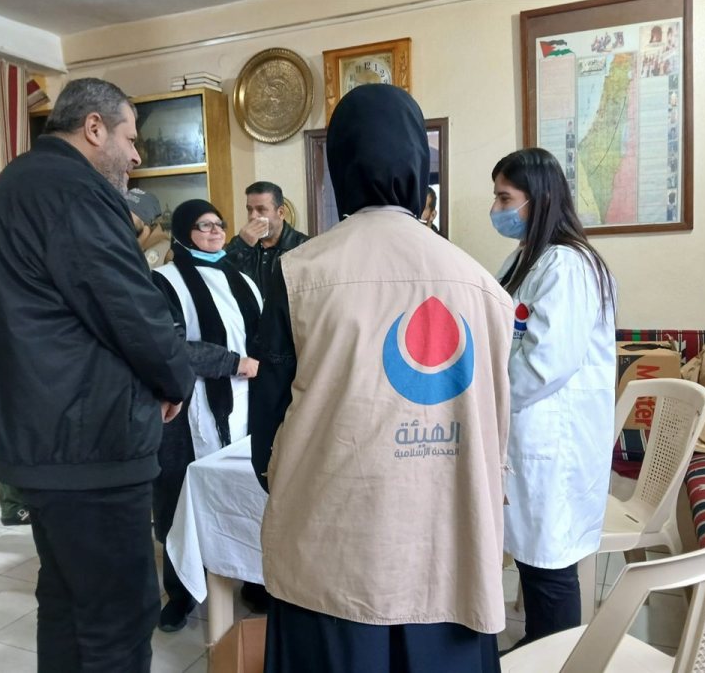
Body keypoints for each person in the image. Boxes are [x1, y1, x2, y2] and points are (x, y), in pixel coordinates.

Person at [251, 84, 514, 673]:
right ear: (419, 163)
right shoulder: (480, 283)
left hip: (333, 545)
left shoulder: (298, 273)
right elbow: (497, 422)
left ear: (339, 165)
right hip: (448, 542)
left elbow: (268, 428)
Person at [0, 78, 194, 672]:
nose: (136, 156)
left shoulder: (14, 185)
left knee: (68, 606)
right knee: (120, 619)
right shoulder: (74, 192)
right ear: (94, 128)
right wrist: (175, 378)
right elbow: (131, 309)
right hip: (89, 444)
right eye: (130, 138)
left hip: (43, 439)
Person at [489, 147, 616, 648]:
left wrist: (490, 400)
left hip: (551, 443)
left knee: (550, 564)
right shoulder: (525, 259)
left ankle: (556, 656)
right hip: (527, 435)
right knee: (533, 555)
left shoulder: (567, 265)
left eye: (505, 198)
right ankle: (540, 647)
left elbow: (546, 364)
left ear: (538, 199)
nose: (496, 209)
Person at [150, 199, 262, 631]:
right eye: (204, 225)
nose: (215, 232)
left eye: (219, 224)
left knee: (248, 491)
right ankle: (180, 592)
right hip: (188, 405)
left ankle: (255, 577)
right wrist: (233, 363)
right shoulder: (164, 280)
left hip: (248, 403)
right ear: (183, 232)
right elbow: (168, 346)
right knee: (181, 498)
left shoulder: (243, 280)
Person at [224, 181, 309, 297]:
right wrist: (242, 246)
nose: (253, 216)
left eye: (261, 209)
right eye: (249, 209)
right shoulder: (240, 242)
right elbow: (223, 278)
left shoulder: (303, 245)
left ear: (281, 213)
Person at [125, 187, 172, 269]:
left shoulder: (164, 252)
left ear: (147, 220)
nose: (122, 217)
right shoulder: (124, 243)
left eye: (129, 213)